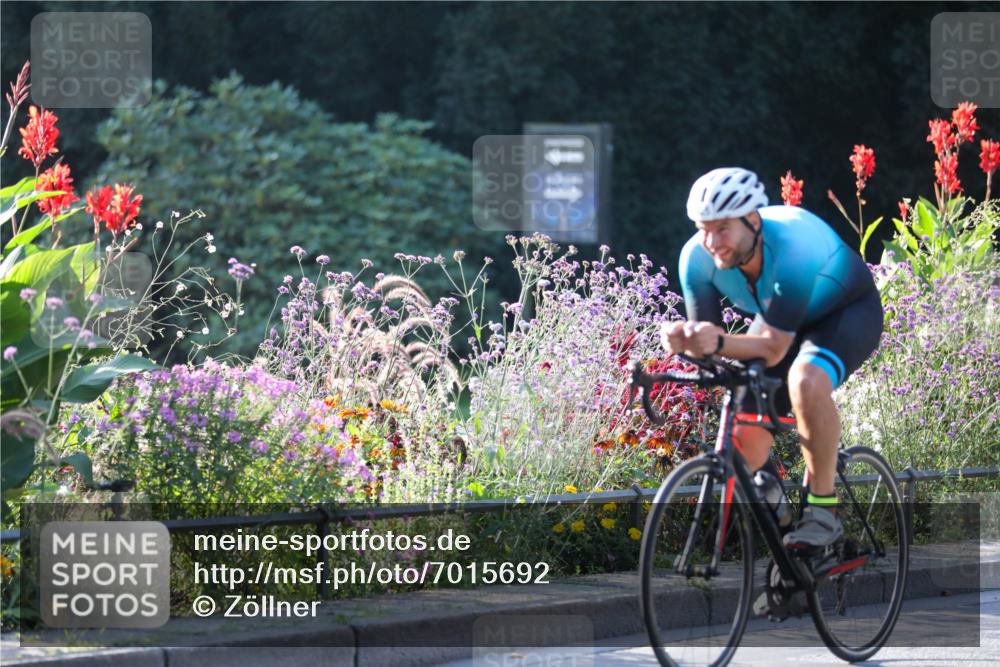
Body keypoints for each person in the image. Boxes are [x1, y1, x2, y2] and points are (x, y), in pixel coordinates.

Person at [660, 167, 884, 549]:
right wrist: (686, 341)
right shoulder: (694, 259)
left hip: (844, 312)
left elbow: (773, 348)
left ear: (752, 220)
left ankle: (823, 512)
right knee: (743, 431)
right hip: (778, 320)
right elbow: (715, 346)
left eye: (722, 228)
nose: (712, 242)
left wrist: (713, 342)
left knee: (806, 380)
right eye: (703, 228)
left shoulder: (792, 245)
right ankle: (782, 530)